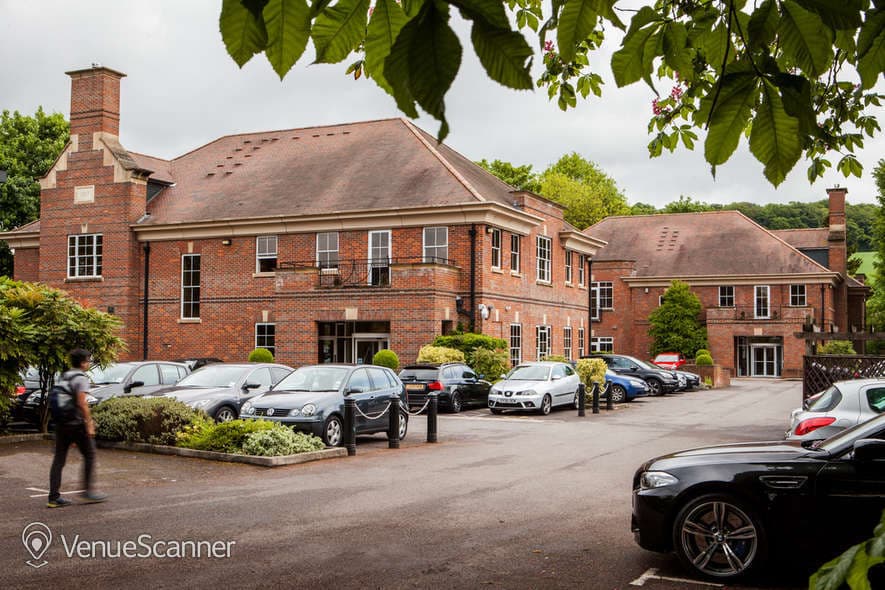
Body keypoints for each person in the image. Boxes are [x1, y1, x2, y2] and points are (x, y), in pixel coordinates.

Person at [47, 348, 107, 508]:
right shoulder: (81, 378)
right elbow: (82, 403)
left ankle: (53, 497)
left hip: (61, 423)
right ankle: (87, 492)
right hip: (75, 423)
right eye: (88, 360)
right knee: (90, 454)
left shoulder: (65, 375)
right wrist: (89, 424)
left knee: (58, 460)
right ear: (82, 363)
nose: (89, 363)